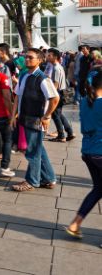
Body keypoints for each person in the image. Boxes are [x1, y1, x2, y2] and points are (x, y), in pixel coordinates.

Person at [11, 48, 60, 192]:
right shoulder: (24, 75)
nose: (27, 60)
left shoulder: (43, 78)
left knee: (33, 152)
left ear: (39, 60)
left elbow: (55, 98)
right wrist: (13, 115)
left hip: (36, 120)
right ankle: (49, 178)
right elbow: (17, 96)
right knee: (39, 150)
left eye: (31, 58)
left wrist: (47, 116)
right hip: (24, 117)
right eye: (26, 57)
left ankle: (32, 181)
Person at [65, 70, 102, 240]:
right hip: (99, 153)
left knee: (98, 189)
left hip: (88, 153)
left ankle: (75, 224)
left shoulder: (86, 102)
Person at [47, 48, 75, 143]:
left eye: (49, 55)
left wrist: (51, 96)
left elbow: (56, 84)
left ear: (55, 57)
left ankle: (61, 135)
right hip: (60, 93)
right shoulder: (58, 66)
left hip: (57, 93)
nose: (47, 56)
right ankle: (70, 132)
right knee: (59, 114)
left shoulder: (56, 68)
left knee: (55, 115)